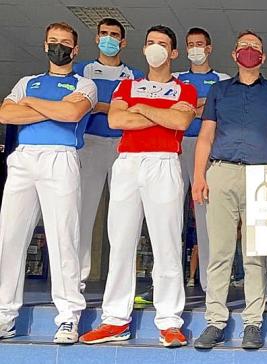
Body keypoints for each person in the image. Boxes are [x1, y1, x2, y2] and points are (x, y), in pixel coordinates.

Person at [79, 25, 197, 348]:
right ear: (143, 49)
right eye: (150, 43)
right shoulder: (126, 85)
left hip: (164, 162)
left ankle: (170, 320)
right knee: (120, 242)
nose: (155, 48)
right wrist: (161, 114)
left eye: (162, 44)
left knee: (168, 244)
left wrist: (141, 108)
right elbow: (117, 121)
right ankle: (115, 319)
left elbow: (181, 122)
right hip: (128, 163)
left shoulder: (185, 90)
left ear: (173, 53)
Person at [191, 30, 267, 350]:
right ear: (234, 54)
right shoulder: (219, 90)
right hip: (221, 172)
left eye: (256, 48)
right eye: (244, 47)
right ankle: (215, 321)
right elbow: (205, 137)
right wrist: (199, 176)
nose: (250, 51)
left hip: (263, 179)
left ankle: (253, 321)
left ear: (263, 57)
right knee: (219, 252)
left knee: (255, 255)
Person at [0, 22, 96, 345]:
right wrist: (53, 110)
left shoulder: (85, 84)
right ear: (45, 46)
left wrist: (31, 106)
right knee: (9, 237)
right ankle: (4, 315)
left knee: (62, 238)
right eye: (53, 41)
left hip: (61, 157)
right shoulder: (27, 82)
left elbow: (72, 115)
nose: (59, 46)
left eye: (65, 42)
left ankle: (68, 317)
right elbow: (5, 113)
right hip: (24, 159)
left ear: (76, 49)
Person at [73, 17, 144, 293]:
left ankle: (124, 281)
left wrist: (99, 106)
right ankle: (75, 279)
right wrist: (114, 108)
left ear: (123, 42)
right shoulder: (82, 70)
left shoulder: (135, 76)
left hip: (123, 147)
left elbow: (134, 111)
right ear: (96, 38)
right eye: (104, 34)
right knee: (83, 212)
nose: (109, 39)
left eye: (114, 35)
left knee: (125, 216)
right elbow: (80, 106)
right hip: (89, 143)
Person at [172, 27, 230, 291]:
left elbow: (220, 114)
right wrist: (203, 106)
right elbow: (171, 112)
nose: (195, 48)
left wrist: (190, 108)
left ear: (209, 48)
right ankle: (167, 282)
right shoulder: (174, 79)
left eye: (200, 44)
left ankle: (210, 284)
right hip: (175, 145)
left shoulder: (223, 80)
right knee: (170, 213)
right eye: (190, 44)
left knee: (207, 216)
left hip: (208, 146)